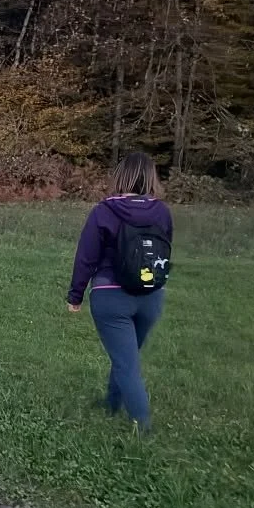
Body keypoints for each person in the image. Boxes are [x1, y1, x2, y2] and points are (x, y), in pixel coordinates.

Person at [67, 152, 174, 433]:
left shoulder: (104, 210)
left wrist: (75, 295)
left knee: (126, 363)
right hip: (152, 295)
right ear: (151, 177)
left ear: (120, 176)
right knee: (126, 356)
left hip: (110, 295)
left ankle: (143, 429)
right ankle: (112, 404)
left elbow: (86, 257)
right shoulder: (162, 211)